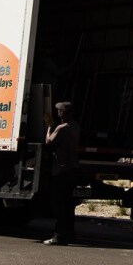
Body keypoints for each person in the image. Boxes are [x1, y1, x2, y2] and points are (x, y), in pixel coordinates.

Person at [43, 101, 80, 245]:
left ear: (62, 113)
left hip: (60, 170)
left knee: (59, 205)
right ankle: (70, 234)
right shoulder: (75, 126)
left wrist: (49, 127)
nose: (58, 112)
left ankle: (59, 235)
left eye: (59, 110)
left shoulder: (61, 128)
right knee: (68, 204)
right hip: (71, 169)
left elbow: (48, 141)